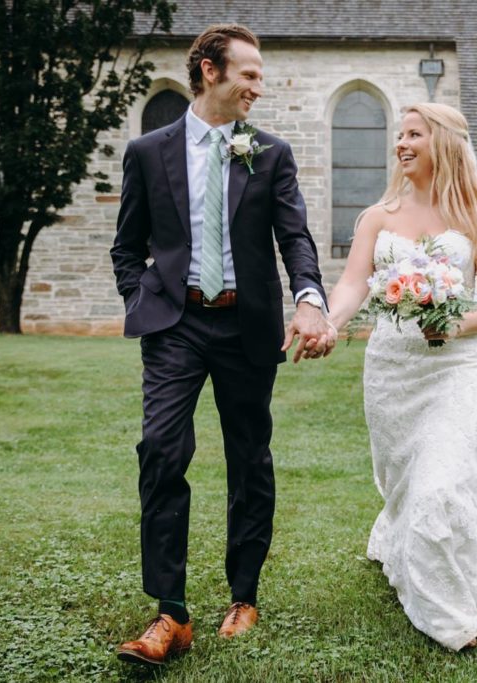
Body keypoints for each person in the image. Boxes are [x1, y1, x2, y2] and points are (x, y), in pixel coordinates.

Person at [110, 24, 335, 666]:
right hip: (176, 325)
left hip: (246, 326)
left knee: (249, 457)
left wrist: (310, 298)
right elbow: (128, 247)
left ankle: (243, 594)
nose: (258, 88)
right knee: (160, 449)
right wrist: (144, 300)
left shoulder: (270, 153)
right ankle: (170, 614)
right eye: (250, 75)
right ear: (210, 71)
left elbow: (295, 239)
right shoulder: (148, 152)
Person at [327, 103, 477, 651]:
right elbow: (355, 283)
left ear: (443, 143)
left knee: (438, 487)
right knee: (407, 487)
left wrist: (453, 325)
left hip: (459, 367)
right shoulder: (378, 217)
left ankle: (449, 618)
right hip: (393, 371)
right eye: (399, 135)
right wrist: (331, 321)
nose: (401, 144)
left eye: (414, 135)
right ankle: (414, 546)